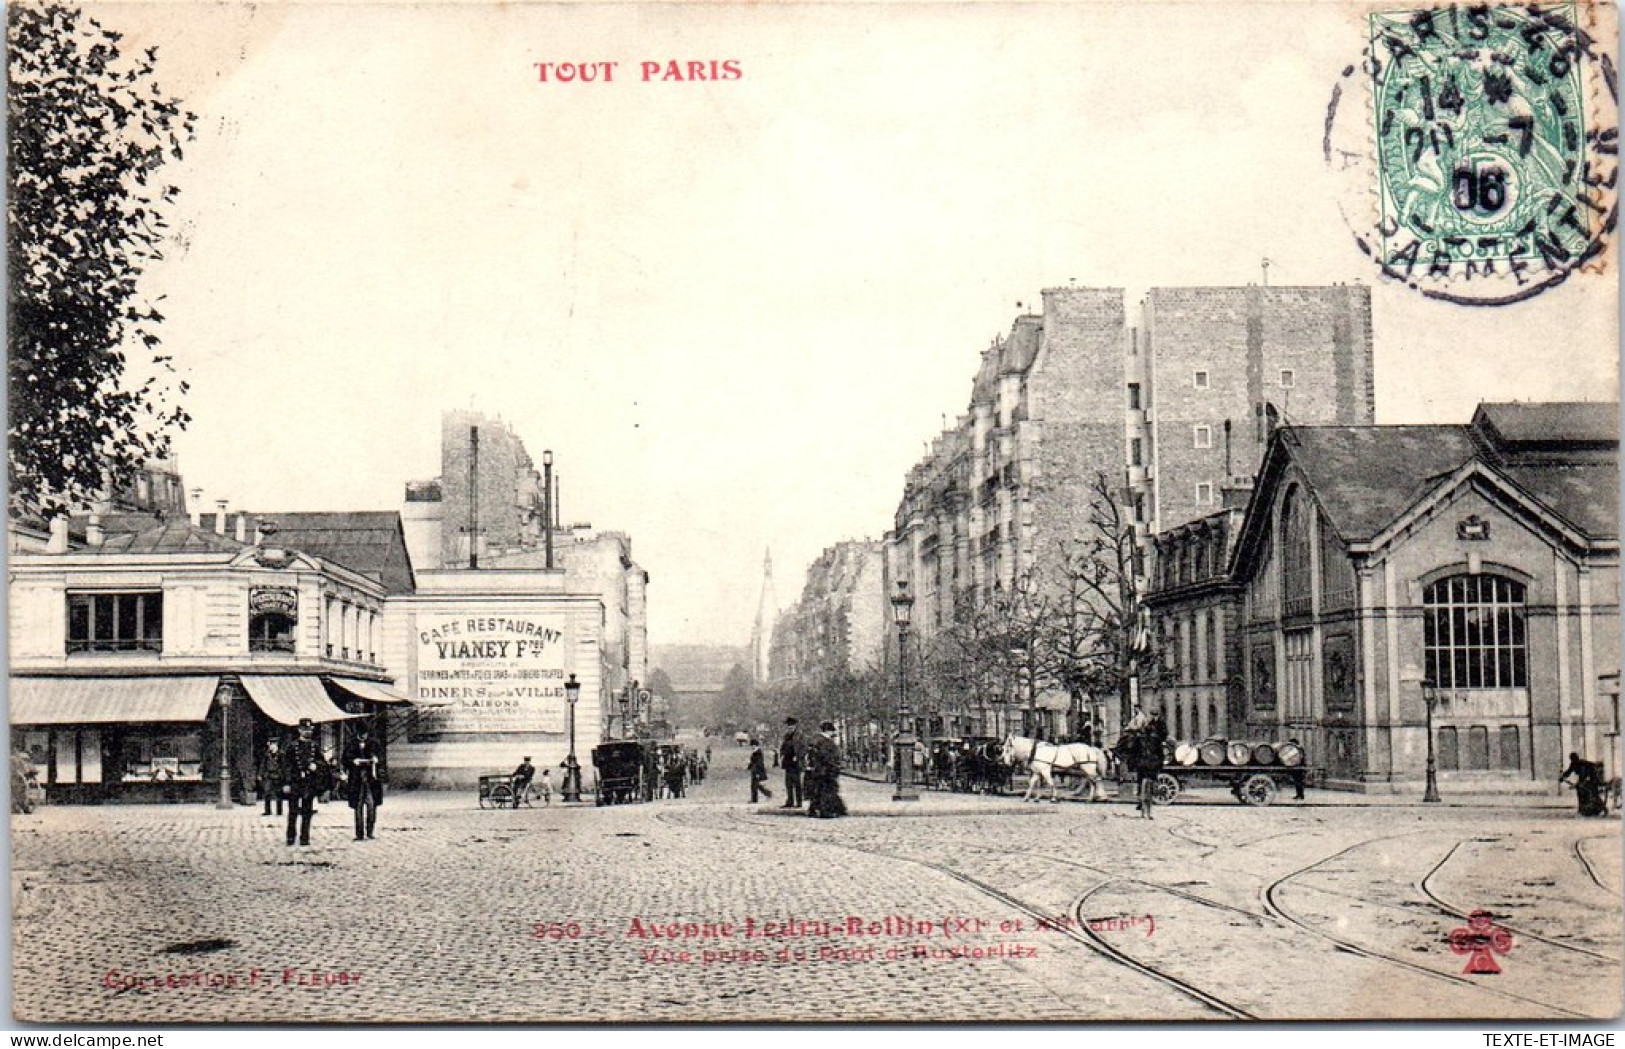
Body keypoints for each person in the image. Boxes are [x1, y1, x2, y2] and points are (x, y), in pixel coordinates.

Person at [280, 718, 333, 846]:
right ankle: (291, 837)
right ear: (299, 730)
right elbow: (286, 766)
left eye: (309, 730)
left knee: (307, 811)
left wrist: (316, 766)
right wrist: (286, 783)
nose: (307, 732)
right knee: (293, 811)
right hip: (295, 781)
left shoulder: (315, 746)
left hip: (309, 782)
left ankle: (305, 837)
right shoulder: (292, 747)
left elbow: (323, 764)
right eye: (304, 730)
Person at [341, 724, 385, 840]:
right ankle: (359, 833)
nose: (364, 736)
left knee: (371, 806)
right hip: (357, 780)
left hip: (371, 780)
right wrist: (353, 761)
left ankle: (370, 831)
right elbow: (344, 759)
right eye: (362, 734)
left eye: (365, 734)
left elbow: (381, 757)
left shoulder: (374, 743)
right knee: (358, 807)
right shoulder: (351, 744)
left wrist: (376, 759)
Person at [805, 720, 846, 818]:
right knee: (827, 791)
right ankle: (825, 812)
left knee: (817, 790)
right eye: (832, 732)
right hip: (826, 770)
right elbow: (827, 757)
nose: (832, 734)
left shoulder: (814, 739)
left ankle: (813, 810)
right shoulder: (826, 742)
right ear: (828, 731)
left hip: (816, 770)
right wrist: (836, 765)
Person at [1560, 752, 1608, 817]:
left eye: (1574, 759)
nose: (1573, 761)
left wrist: (1580, 784)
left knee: (1593, 794)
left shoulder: (1583, 764)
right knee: (1581, 794)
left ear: (1577, 758)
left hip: (1592, 779)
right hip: (1584, 778)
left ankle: (1602, 808)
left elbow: (1587, 776)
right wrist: (1563, 776)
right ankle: (1583, 810)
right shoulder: (1573, 764)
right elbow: (1569, 772)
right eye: (1572, 759)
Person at [779, 717, 805, 809]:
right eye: (788, 726)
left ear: (795, 726)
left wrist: (797, 756)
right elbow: (783, 745)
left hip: (796, 762)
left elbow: (803, 748)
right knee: (788, 783)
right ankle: (789, 801)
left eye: (791, 726)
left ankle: (799, 802)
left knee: (797, 782)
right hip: (787, 761)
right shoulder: (786, 735)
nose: (790, 727)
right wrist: (781, 753)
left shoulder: (800, 735)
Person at [259, 739, 284, 817]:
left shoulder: (281, 754)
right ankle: (267, 811)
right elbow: (263, 765)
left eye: (272, 745)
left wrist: (282, 774)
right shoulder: (267, 754)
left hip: (277, 776)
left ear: (276, 745)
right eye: (270, 745)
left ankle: (279, 811)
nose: (270, 746)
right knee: (267, 793)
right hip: (268, 775)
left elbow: (284, 765)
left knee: (278, 793)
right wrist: (260, 774)